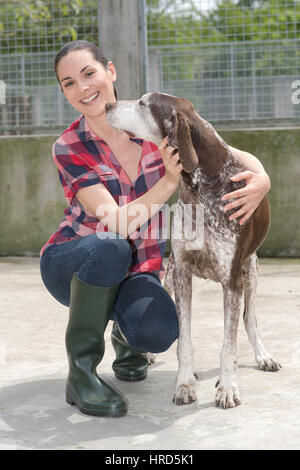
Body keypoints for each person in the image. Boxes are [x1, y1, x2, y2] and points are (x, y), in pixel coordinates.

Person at [40, 40, 271, 417]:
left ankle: (124, 332)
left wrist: (262, 179)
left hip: (134, 270)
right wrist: (168, 180)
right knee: (111, 245)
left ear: (110, 71)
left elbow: (232, 153)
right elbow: (115, 221)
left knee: (160, 330)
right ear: (64, 92)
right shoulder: (69, 145)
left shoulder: (150, 122)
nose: (82, 88)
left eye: (88, 74)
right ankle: (81, 374)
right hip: (74, 261)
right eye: (68, 83)